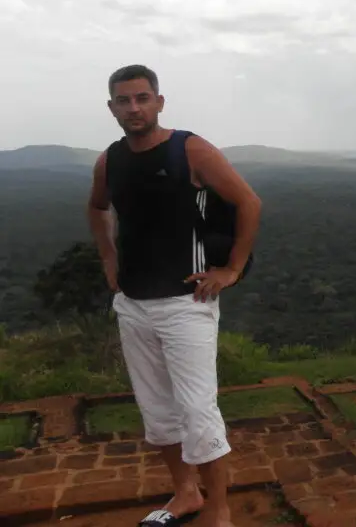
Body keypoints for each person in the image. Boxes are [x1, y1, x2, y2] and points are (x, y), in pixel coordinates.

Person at [87, 64, 262, 527]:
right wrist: (109, 260)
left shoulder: (190, 149)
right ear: (112, 108)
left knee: (198, 410)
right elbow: (97, 206)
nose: (134, 108)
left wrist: (232, 269)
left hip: (187, 302)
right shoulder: (111, 158)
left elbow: (249, 202)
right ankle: (186, 494)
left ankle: (219, 510)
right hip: (134, 302)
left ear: (159, 102)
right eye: (124, 101)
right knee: (157, 410)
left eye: (142, 98)